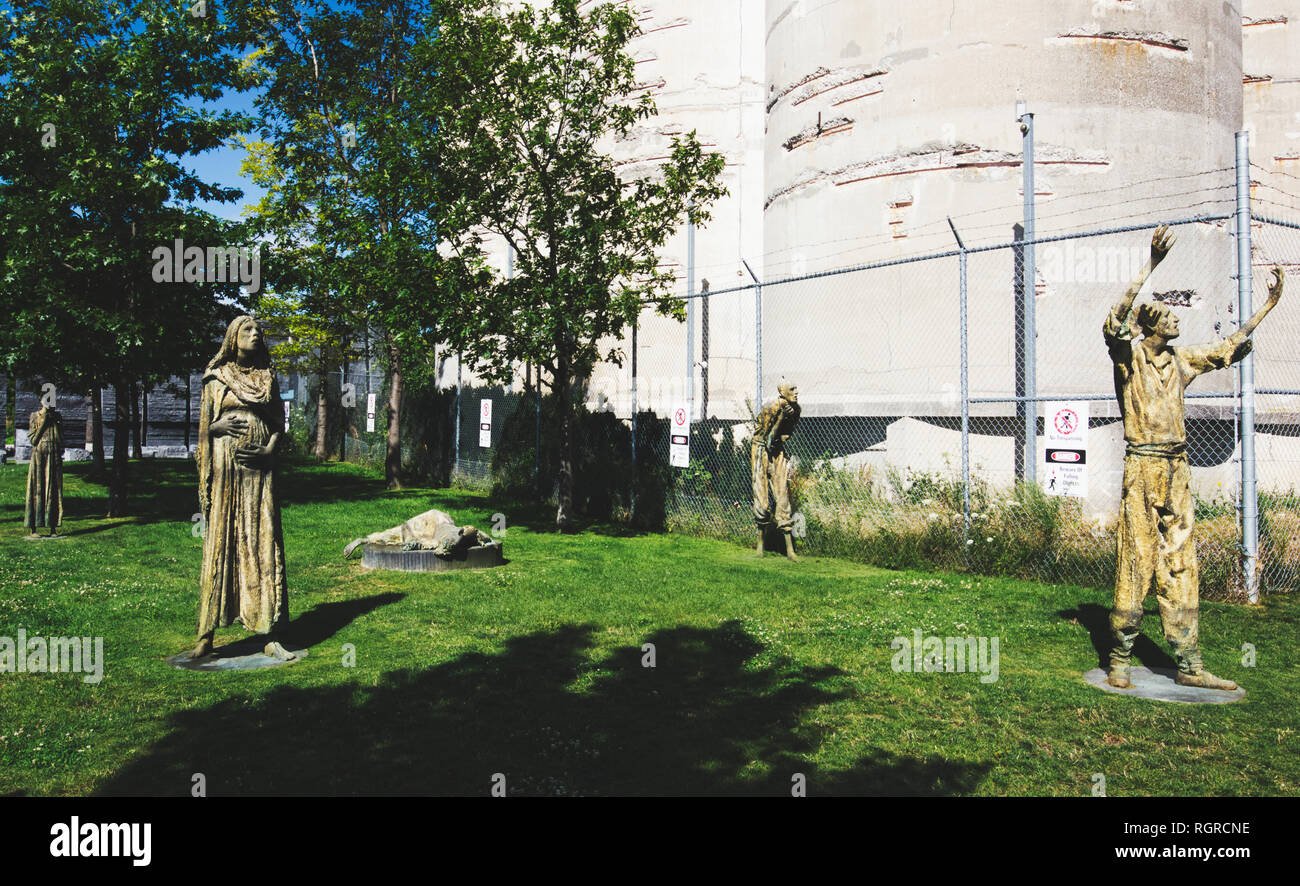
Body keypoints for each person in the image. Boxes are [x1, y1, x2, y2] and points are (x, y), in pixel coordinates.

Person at [1103, 225, 1283, 690]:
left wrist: (1267, 308)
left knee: (1181, 561)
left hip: (1176, 468)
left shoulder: (1181, 362)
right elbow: (1113, 319)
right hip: (1142, 468)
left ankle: (1189, 662)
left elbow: (1227, 350)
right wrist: (1152, 264)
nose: (1176, 319)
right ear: (1151, 325)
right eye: (1168, 316)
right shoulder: (1129, 359)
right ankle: (1120, 656)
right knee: (1137, 558)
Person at [190, 316, 294, 661]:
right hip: (226, 471)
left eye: (259, 331)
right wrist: (218, 425)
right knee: (222, 540)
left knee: (262, 540)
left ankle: (268, 631)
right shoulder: (216, 378)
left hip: (259, 474)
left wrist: (268, 450)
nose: (255, 335)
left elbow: (279, 423)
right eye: (248, 330)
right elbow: (204, 429)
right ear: (233, 338)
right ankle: (207, 634)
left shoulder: (267, 378)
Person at [752, 382, 801, 560]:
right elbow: (768, 440)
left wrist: (785, 421)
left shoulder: (796, 410)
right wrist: (780, 419)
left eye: (796, 389)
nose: (797, 392)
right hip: (760, 449)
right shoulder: (770, 408)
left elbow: (785, 435)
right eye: (792, 389)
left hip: (777, 449)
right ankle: (760, 546)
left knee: (782, 496)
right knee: (761, 498)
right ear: (782, 392)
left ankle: (789, 550)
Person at [25, 405, 63, 535]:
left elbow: (60, 440)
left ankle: (53, 526)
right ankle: (33, 528)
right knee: (37, 489)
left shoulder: (57, 417)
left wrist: (54, 424)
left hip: (53, 456)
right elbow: (33, 440)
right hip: (39, 456)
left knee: (53, 489)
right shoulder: (34, 416)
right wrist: (44, 423)